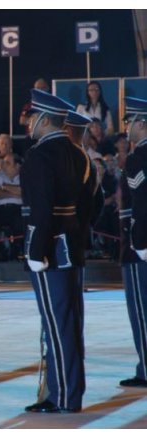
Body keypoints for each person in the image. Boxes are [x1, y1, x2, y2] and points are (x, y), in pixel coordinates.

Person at [20, 89, 89, 414]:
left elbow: (42, 208)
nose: (30, 122)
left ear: (45, 119)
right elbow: (91, 202)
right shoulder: (78, 154)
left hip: (49, 249)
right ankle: (70, 390)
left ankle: (62, 396)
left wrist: (36, 249)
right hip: (71, 244)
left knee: (56, 323)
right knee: (70, 323)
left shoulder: (40, 155)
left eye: (33, 116)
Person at [118, 96, 147, 388]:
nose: (126, 127)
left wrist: (139, 243)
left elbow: (141, 204)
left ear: (142, 123)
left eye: (130, 122)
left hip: (140, 246)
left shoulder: (138, 158)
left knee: (141, 310)